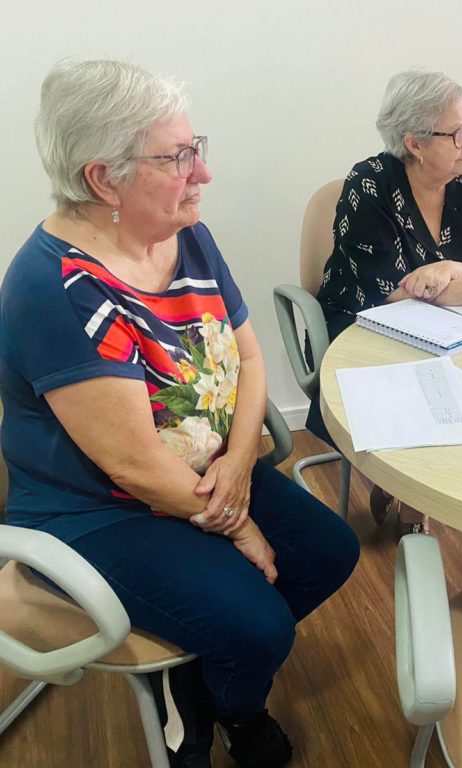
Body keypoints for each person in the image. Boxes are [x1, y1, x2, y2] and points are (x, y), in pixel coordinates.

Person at [0, 60, 360, 768]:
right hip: (100, 508)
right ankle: (237, 709)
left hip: (205, 474)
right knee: (259, 627)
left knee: (330, 551)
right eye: (177, 158)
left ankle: (202, 677)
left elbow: (249, 357)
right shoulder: (57, 288)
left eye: (197, 148)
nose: (203, 174)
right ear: (104, 180)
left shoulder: (183, 233)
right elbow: (134, 466)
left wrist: (238, 464)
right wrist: (240, 523)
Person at [309, 69, 462, 536]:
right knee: (419, 386)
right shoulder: (369, 184)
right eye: (457, 132)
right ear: (415, 143)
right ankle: (410, 496)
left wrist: (447, 269)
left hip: (446, 324)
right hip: (360, 324)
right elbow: (386, 286)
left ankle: (414, 485)